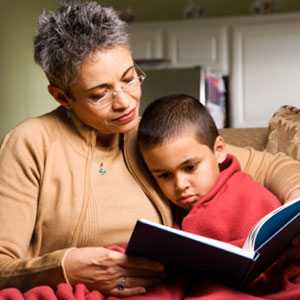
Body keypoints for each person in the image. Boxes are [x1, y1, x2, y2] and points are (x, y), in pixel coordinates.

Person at [0, 0, 300, 297]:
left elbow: (273, 166)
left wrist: (295, 195)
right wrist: (63, 266)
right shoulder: (31, 142)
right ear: (62, 96)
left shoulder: (153, 135)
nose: (125, 102)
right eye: (99, 94)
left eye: (130, 78)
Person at [137, 94, 300, 299]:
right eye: (165, 175)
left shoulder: (244, 192)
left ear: (219, 150)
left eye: (190, 167)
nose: (180, 185)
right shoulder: (179, 212)